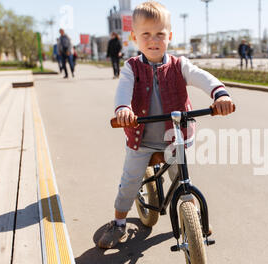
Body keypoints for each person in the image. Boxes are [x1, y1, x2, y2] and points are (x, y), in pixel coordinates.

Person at [97, 1, 235, 249]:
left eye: (160, 34)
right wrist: (123, 110)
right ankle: (118, 223)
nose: (153, 40)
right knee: (130, 181)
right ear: (135, 38)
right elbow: (123, 92)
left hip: (176, 137)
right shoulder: (131, 68)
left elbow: (201, 76)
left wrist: (219, 94)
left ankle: (193, 217)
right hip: (142, 140)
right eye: (146, 34)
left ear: (169, 36)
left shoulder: (179, 65)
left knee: (182, 179)